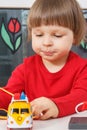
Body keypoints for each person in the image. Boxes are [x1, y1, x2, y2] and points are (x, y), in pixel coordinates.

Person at [0, 0, 87, 120]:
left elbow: (82, 96)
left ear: (75, 36)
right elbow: (8, 96)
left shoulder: (83, 68)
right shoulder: (25, 69)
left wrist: (56, 105)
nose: (46, 43)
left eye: (57, 35)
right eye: (39, 35)